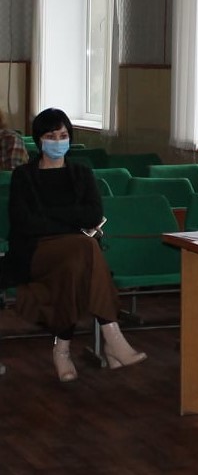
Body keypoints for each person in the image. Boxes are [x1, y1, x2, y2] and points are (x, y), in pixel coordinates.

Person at [6, 108, 146, 382]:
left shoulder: (81, 173)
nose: (58, 141)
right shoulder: (24, 176)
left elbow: (93, 214)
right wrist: (70, 217)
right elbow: (25, 223)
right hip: (35, 251)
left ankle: (62, 351)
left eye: (63, 135)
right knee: (86, 247)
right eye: (51, 136)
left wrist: (49, 213)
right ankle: (112, 338)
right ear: (39, 139)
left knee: (74, 265)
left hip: (74, 252)